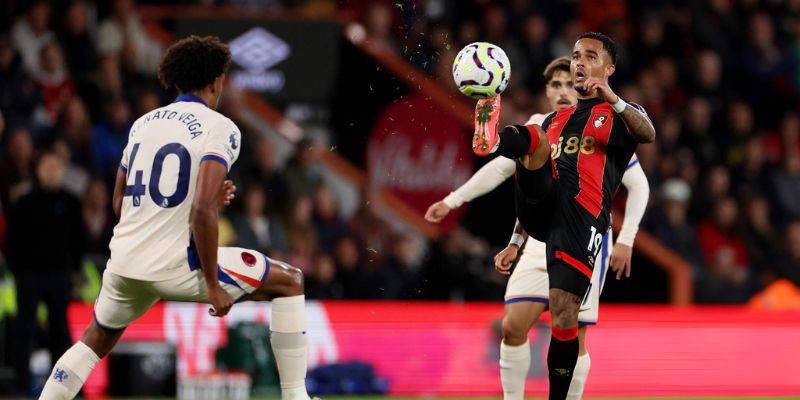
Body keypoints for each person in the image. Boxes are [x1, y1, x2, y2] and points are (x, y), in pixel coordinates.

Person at [40, 36, 315, 400]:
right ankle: (296, 396)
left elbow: (120, 202)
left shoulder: (143, 124)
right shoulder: (220, 127)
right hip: (177, 266)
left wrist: (196, 205)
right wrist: (214, 286)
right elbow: (201, 209)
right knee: (290, 281)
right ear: (215, 80)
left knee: (95, 339)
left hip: (125, 263)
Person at [425, 56, 650, 399]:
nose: (562, 91)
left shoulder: (600, 124)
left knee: (573, 332)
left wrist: (627, 240)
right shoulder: (541, 125)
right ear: (546, 90)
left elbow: (640, 184)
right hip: (539, 235)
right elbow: (511, 179)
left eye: (567, 84)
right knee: (513, 327)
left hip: (584, 235)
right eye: (554, 85)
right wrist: (457, 202)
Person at [5, 153, 84, 395]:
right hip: (29, 277)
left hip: (59, 277)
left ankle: (61, 388)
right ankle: (20, 386)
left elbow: (77, 242)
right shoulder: (24, 202)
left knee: (60, 333)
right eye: (46, 166)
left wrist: (75, 273)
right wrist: (18, 272)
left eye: (55, 166)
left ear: (62, 170)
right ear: (37, 170)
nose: (50, 171)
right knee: (24, 332)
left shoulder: (71, 202)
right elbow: (12, 241)